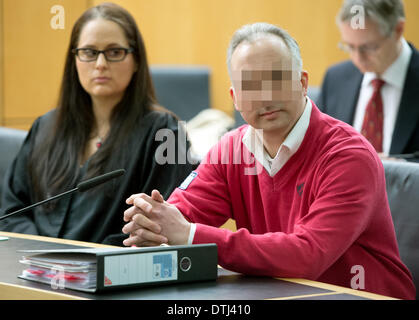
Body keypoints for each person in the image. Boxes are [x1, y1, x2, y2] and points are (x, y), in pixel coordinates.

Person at [121, 22, 416, 299]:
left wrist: (189, 235)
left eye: (277, 79)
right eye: (250, 86)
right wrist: (152, 222)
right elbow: (179, 217)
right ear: (235, 98)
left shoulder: (348, 156)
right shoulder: (230, 151)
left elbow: (307, 255)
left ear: (302, 82)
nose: (265, 97)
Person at [0, 2, 194, 245]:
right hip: (34, 270)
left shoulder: (165, 133)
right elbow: (11, 211)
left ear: (136, 60)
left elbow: (161, 227)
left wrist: (82, 260)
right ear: (75, 60)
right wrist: (45, 255)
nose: (100, 64)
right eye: (89, 52)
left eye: (114, 52)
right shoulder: (45, 127)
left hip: (114, 273)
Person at [318, 0, 419, 160]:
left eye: (370, 47)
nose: (358, 58)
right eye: (350, 47)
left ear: (398, 30)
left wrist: (399, 167)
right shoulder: (335, 79)